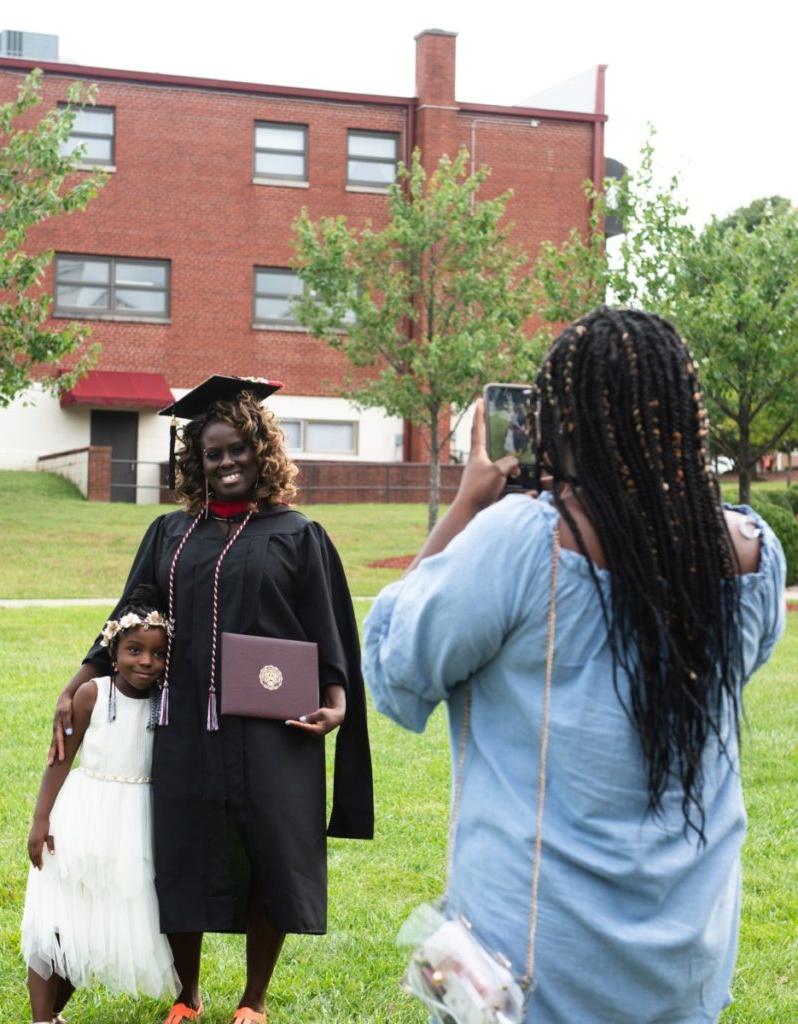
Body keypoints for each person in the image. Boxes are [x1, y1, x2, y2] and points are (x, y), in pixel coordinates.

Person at [363, 308, 785, 1024]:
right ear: (683, 416)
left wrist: (468, 501)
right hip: (687, 951)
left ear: (561, 420)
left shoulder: (522, 541)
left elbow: (398, 666)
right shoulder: (751, 554)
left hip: (529, 961)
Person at [49, 376, 373, 1024]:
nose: (226, 463)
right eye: (213, 453)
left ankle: (252, 1000)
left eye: (238, 450)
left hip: (273, 727)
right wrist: (80, 679)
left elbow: (328, 625)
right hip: (185, 725)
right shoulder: (171, 533)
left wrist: (334, 700)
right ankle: (187, 993)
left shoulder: (297, 533)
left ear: (262, 452)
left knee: (272, 855)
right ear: (195, 462)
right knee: (183, 854)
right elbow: (129, 613)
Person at [23, 584, 178, 1024]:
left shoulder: (165, 702)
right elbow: (60, 759)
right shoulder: (93, 694)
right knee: (55, 921)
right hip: (83, 815)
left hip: (134, 823)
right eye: (134, 650)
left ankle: (53, 1014)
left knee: (93, 931)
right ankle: (40, 1019)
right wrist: (41, 819)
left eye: (157, 653)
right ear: (113, 651)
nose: (146, 661)